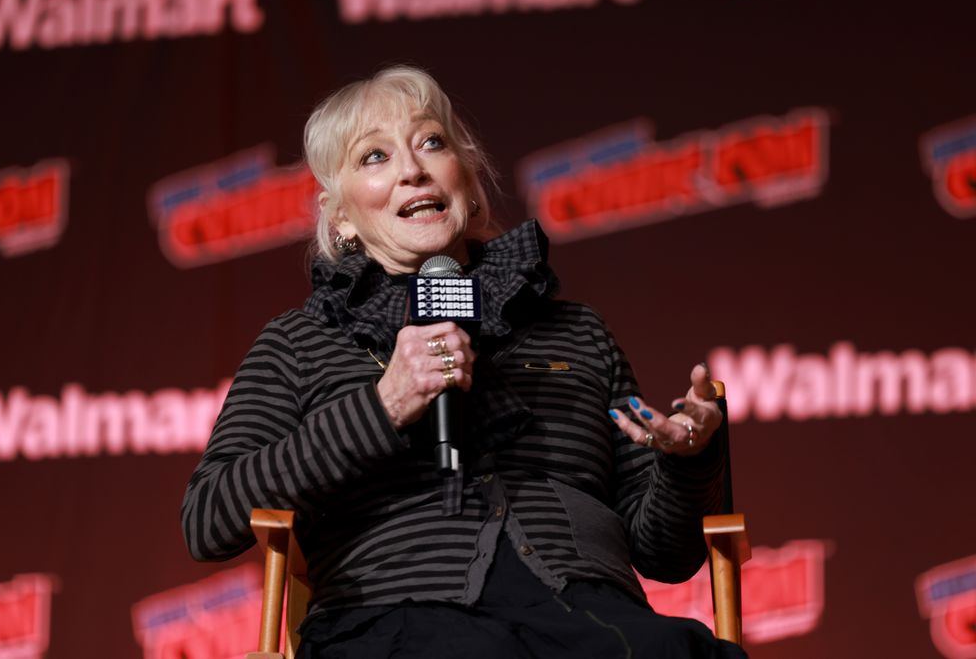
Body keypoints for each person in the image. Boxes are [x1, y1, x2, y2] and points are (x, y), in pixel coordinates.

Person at [181, 66, 747, 659]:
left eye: (431, 142)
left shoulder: (576, 330)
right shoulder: (300, 341)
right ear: (341, 215)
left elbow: (666, 554)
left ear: (468, 181)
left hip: (592, 624)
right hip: (393, 626)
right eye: (374, 157)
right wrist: (383, 406)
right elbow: (210, 516)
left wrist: (688, 463)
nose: (412, 169)